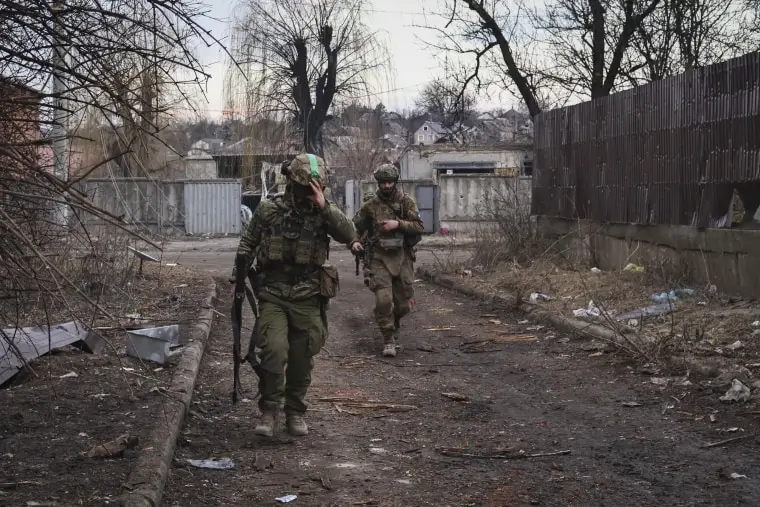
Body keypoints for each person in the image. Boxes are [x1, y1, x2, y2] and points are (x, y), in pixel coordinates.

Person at [231, 153, 356, 437]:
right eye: (304, 187)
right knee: (274, 350)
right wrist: (238, 275)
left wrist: (324, 208)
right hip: (273, 292)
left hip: (308, 295)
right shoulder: (269, 209)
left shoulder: (323, 210)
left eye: (315, 186)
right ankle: (269, 410)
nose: (308, 192)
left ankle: (295, 412)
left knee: (302, 357)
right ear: (292, 183)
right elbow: (248, 242)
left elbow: (350, 234)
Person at [349, 164, 424, 357]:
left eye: (390, 182)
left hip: (402, 256)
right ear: (379, 183)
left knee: (403, 305)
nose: (387, 186)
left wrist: (397, 224)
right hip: (379, 257)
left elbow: (419, 227)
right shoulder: (370, 206)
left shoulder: (406, 202)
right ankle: (388, 338)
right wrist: (355, 242)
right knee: (384, 300)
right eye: (383, 183)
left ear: (395, 182)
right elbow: (356, 228)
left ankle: (395, 322)